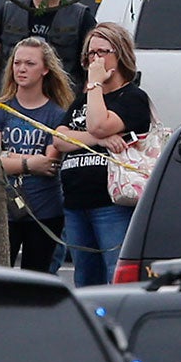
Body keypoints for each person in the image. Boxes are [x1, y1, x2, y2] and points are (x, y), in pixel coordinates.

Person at [56, 21, 153, 285]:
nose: (95, 60)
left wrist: (95, 85)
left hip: (111, 202)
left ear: (119, 54)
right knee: (85, 276)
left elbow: (98, 123)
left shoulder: (132, 97)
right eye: (90, 54)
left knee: (115, 272)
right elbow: (59, 138)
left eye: (102, 52)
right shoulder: (82, 101)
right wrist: (100, 139)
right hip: (76, 201)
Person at [0, 36, 73, 273]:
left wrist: (12, 159)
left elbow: (48, 163)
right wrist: (29, 163)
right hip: (4, 207)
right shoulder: (1, 109)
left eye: (30, 64)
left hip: (44, 210)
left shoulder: (57, 113)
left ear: (45, 69)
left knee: (37, 279)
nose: (21, 69)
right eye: (17, 63)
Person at [0, 0, 96, 95]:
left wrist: (87, 97)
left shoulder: (81, 16)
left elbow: (95, 61)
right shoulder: (9, 12)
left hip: (62, 101)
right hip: (13, 100)